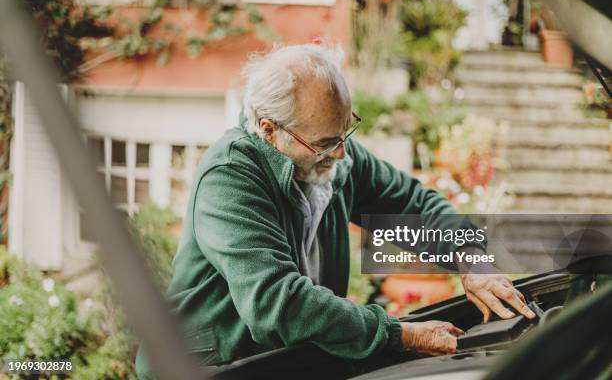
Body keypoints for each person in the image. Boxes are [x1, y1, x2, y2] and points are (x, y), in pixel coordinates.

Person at [135, 43, 535, 379]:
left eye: (346, 130)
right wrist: (400, 334)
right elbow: (280, 304)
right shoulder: (231, 178)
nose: (342, 153)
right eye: (326, 141)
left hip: (284, 360)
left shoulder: (335, 155)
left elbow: (412, 205)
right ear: (269, 129)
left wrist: (469, 256)